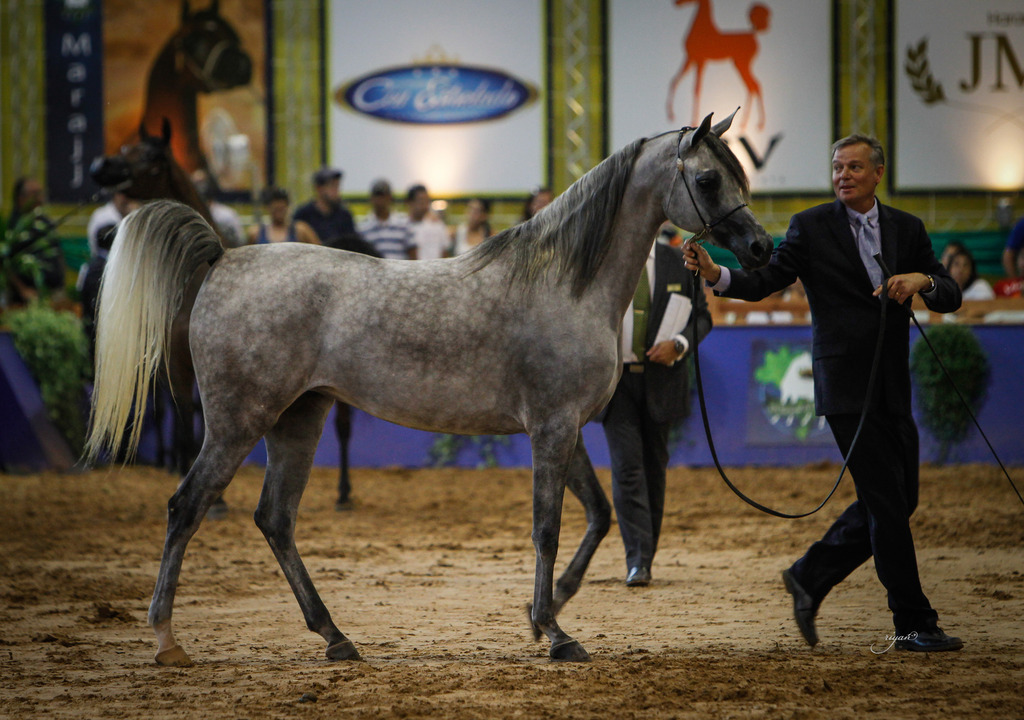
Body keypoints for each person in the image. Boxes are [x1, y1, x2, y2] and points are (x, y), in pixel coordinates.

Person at [684, 133, 964, 652]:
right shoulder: (810, 226)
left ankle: (810, 575)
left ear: (878, 173)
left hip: (892, 383)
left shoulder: (908, 228)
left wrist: (920, 280)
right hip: (843, 386)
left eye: (855, 167)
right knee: (885, 500)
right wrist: (718, 275)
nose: (843, 175)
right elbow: (765, 278)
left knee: (901, 501)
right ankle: (913, 622)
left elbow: (950, 293)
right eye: (838, 167)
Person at [603, 223, 711, 587]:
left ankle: (644, 555)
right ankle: (637, 560)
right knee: (627, 468)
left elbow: (703, 317)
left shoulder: (678, 261)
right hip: (614, 383)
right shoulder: (604, 261)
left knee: (654, 468)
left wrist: (679, 344)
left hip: (662, 380)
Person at [5, 176, 66, 304]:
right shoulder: (14, 228)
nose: (39, 198)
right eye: (34, 194)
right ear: (21, 198)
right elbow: (6, 263)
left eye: (40, 193)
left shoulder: (44, 222)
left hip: (52, 293)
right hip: (24, 297)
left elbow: (57, 253)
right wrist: (23, 290)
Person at [293, 167, 378, 256]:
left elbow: (353, 245)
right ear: (319, 188)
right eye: (332, 186)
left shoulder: (344, 215)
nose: (336, 191)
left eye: (337, 186)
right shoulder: (303, 214)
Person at [357, 179, 416, 259]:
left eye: (384, 196)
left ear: (390, 198)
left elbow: (413, 254)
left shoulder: (404, 225)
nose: (381, 200)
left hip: (399, 270)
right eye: (377, 196)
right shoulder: (363, 228)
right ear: (371, 198)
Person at [192, 170, 246, 248]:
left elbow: (240, 241)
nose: (201, 187)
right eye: (196, 183)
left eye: (203, 182)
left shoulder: (227, 215)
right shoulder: (189, 215)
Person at [247, 186, 318, 245]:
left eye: (282, 209)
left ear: (287, 207)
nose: (279, 214)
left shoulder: (301, 231)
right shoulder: (256, 233)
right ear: (268, 208)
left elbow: (319, 252)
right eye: (276, 209)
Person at [406, 184, 449, 260]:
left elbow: (444, 251)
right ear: (410, 202)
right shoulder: (403, 226)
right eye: (421, 200)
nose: (425, 205)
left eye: (427, 201)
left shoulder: (437, 225)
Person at [86, 190, 133, 256]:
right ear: (115, 195)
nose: (125, 198)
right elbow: (94, 244)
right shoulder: (101, 215)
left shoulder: (134, 212)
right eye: (122, 194)